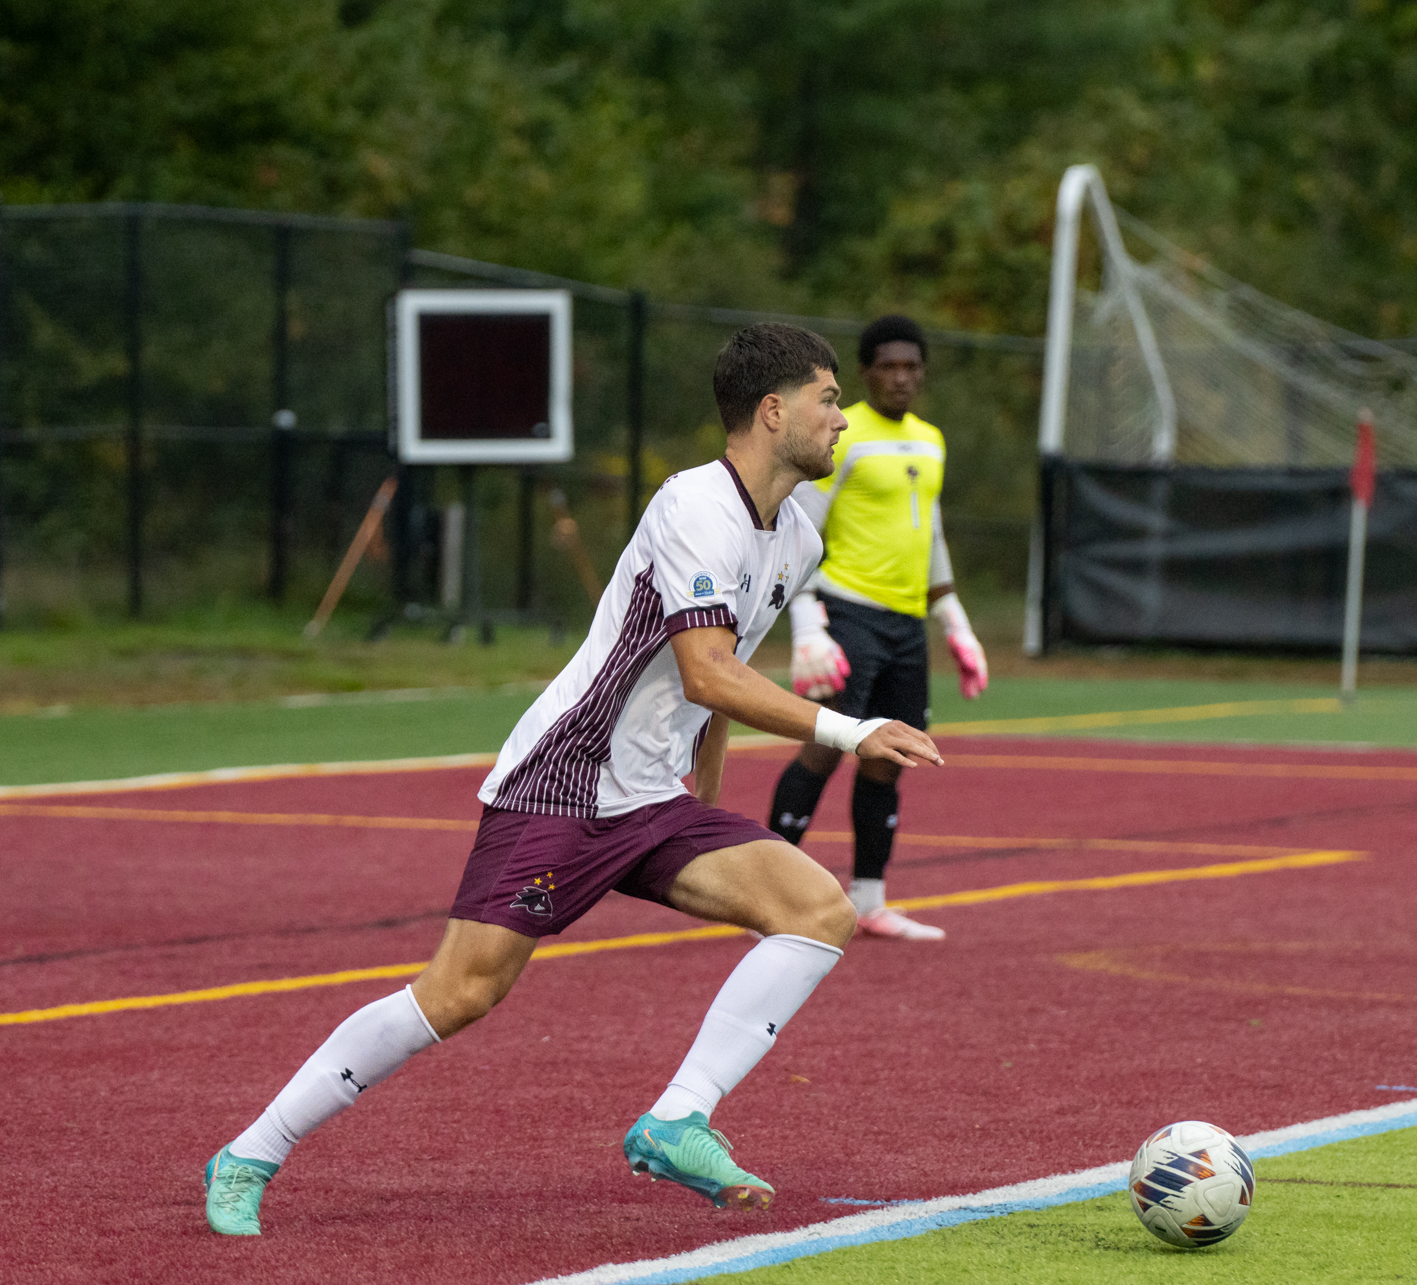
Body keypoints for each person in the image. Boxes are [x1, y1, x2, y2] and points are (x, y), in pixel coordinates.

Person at [201, 323, 944, 1236]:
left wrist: (701, 813)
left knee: (817, 908)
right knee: (461, 992)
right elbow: (709, 669)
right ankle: (250, 1153)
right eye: (831, 400)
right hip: (564, 782)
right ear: (773, 410)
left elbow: (715, 694)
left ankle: (677, 1119)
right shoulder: (694, 507)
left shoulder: (794, 539)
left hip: (653, 801)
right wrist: (850, 727)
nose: (843, 421)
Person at [765, 315, 988, 942]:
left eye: (911, 366)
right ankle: (765, 895)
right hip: (849, 615)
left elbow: (932, 532)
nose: (901, 377)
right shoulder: (843, 435)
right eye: (888, 366)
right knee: (826, 746)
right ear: (865, 373)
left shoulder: (930, 440)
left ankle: (868, 899)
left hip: (905, 624)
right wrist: (808, 625)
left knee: (892, 757)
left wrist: (956, 623)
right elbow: (800, 531)